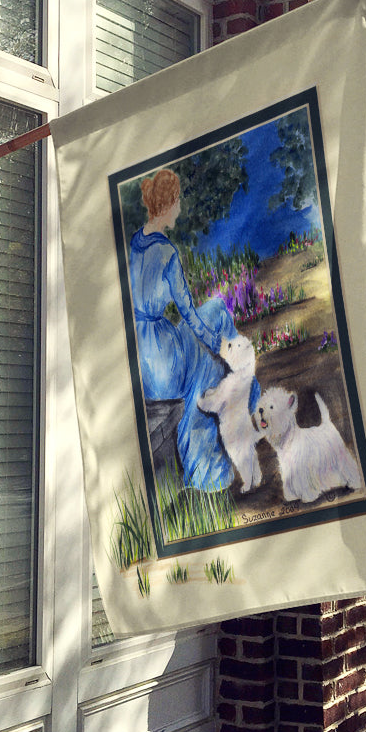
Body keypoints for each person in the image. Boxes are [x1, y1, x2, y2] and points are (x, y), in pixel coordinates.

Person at [129, 169, 237, 492]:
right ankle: (204, 469)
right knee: (207, 353)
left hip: (140, 353)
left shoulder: (134, 244)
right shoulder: (168, 253)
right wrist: (219, 346)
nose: (179, 210)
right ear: (169, 203)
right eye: (178, 203)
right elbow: (189, 314)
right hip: (162, 362)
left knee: (214, 312)